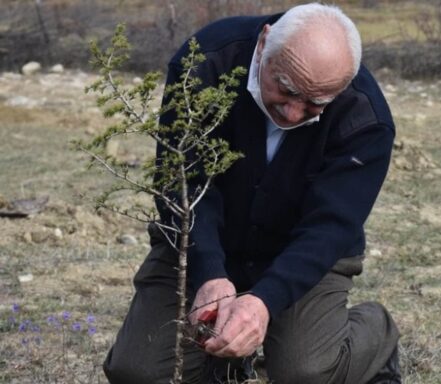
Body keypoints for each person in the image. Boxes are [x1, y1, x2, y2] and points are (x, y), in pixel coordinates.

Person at [103, 3, 400, 384]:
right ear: (263, 44)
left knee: (303, 371)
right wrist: (209, 272)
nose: (293, 114)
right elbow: (183, 181)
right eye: (286, 89)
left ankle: (376, 334)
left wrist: (265, 300)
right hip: (202, 237)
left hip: (301, 252)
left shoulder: (366, 118)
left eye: (315, 104)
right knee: (138, 372)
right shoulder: (205, 63)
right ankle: (226, 361)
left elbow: (330, 228)